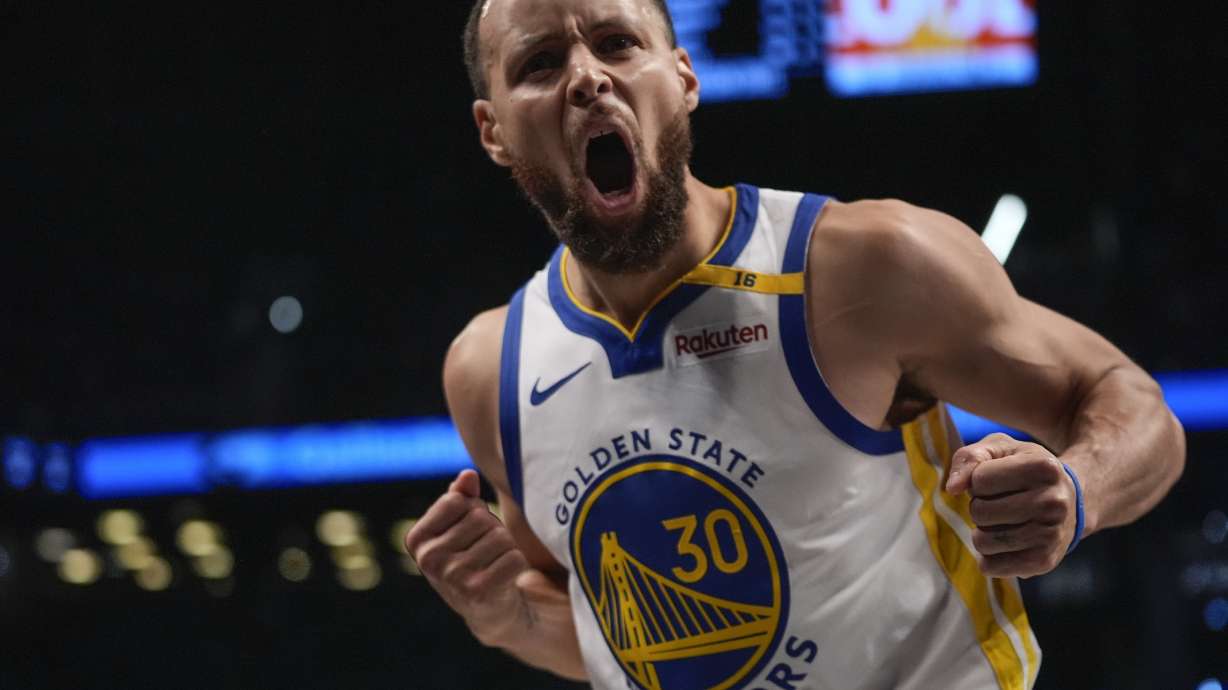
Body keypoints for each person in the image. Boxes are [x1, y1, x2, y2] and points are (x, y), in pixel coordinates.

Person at [404, 1, 1186, 688]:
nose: (587, 78)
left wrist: (1076, 493)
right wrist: (506, 616)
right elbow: (633, 642)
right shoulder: (490, 372)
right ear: (494, 131)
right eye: (540, 63)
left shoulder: (862, 268)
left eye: (616, 43)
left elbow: (1130, 403)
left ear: (683, 79)